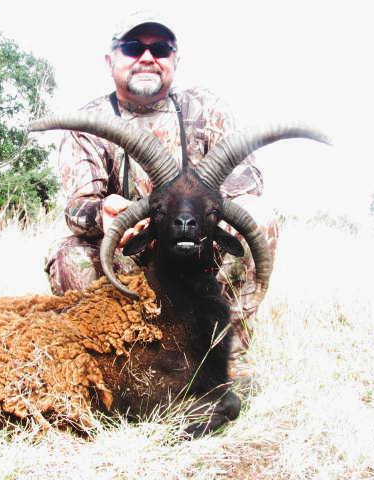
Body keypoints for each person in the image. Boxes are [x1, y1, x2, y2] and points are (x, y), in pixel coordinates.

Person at [45, 12, 278, 351]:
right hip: (132, 256)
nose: (147, 58)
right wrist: (103, 213)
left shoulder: (206, 108)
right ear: (111, 61)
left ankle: (225, 351)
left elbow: (248, 180)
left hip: (200, 248)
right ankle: (122, 358)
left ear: (174, 60)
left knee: (258, 215)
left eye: (160, 49)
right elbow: (77, 209)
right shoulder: (86, 124)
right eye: (133, 48)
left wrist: (193, 213)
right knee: (70, 253)